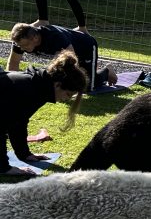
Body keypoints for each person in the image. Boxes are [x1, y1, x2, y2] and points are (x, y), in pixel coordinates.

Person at [1, 48, 88, 176]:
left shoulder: (40, 88)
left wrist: (24, 154)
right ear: (58, 85)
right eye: (68, 94)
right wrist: (4, 168)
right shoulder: (28, 90)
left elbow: (18, 122)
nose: (67, 99)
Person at [7, 22, 115, 90]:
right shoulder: (19, 42)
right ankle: (93, 69)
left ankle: (107, 71)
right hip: (67, 52)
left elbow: (70, 63)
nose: (21, 48)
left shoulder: (55, 37)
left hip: (85, 46)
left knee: (86, 86)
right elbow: (13, 65)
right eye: (19, 45)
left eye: (24, 45)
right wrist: (13, 86)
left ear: (35, 38)